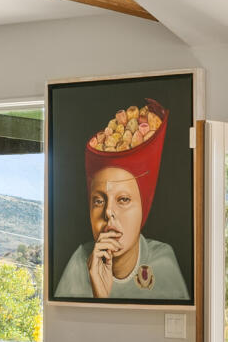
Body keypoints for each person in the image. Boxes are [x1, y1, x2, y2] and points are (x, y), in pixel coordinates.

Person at [54, 99, 189, 300]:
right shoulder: (78, 263)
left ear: (144, 206)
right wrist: (100, 294)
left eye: (124, 199)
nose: (108, 212)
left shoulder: (163, 262)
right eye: (98, 201)